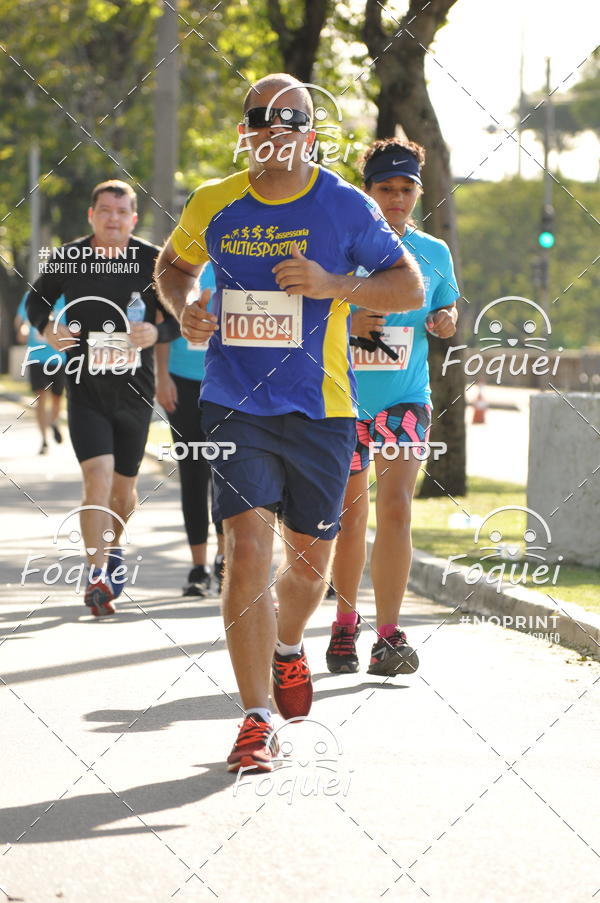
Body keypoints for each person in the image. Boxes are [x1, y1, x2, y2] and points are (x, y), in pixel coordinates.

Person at [155, 73, 425, 772]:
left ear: (310, 130)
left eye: (291, 118)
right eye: (261, 117)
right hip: (235, 400)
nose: (275, 129)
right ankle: (253, 718)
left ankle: (286, 645)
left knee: (308, 570)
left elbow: (407, 286)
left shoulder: (344, 205)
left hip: (325, 408)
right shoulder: (214, 201)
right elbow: (172, 265)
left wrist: (336, 285)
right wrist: (185, 305)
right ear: (246, 128)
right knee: (246, 549)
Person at [325, 138, 459, 677]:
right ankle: (342, 624)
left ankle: (388, 634)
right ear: (368, 192)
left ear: (418, 193)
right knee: (350, 519)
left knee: (397, 507)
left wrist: (446, 320)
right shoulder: (338, 247)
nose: (397, 199)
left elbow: (445, 306)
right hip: (344, 399)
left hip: (406, 398)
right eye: (386, 189)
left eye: (407, 190)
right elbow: (305, 312)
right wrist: (347, 318)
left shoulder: (433, 252)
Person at [26, 180, 178, 616]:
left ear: (133, 217)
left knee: (124, 493)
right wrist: (49, 330)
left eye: (122, 211)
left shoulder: (152, 260)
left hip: (133, 390)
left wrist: (157, 331)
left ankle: (111, 552)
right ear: (92, 215)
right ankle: (95, 575)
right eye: (105, 210)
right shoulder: (70, 257)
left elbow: (180, 317)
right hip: (85, 386)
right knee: (97, 476)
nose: (114, 218)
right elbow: (37, 301)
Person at [154, 261, 225, 596]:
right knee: (193, 472)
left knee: (226, 474)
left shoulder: (233, 257)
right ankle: (199, 567)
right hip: (181, 382)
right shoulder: (176, 267)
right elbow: (161, 324)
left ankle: (226, 560)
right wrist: (162, 376)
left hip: (225, 382)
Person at [15, 293, 66, 454]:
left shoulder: (65, 296)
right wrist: (22, 329)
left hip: (59, 357)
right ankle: (44, 440)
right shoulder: (31, 295)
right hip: (37, 357)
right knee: (41, 397)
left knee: (57, 399)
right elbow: (21, 320)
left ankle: (53, 422)